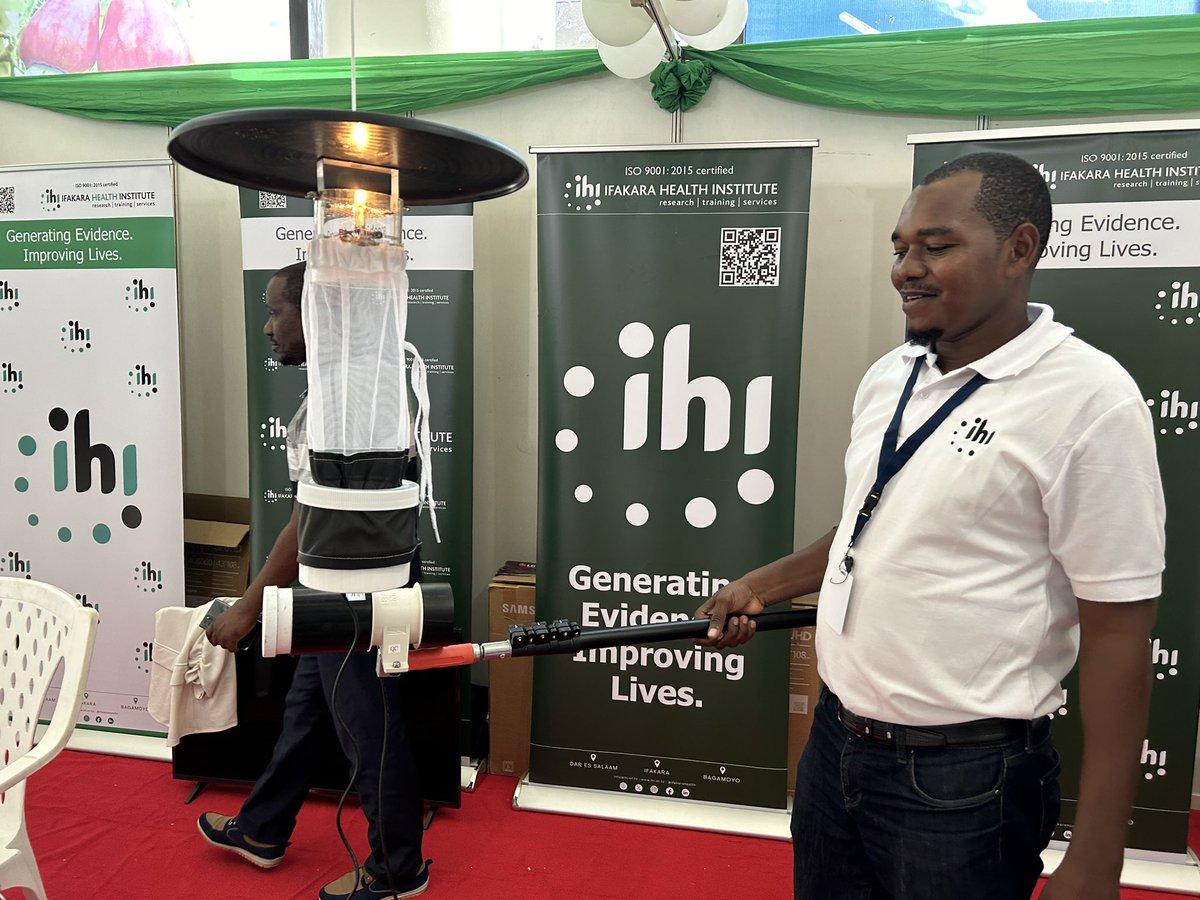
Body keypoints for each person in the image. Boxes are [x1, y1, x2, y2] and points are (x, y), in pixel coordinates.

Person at [697, 152, 1163, 900]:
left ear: (1020, 249)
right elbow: (871, 526)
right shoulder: (892, 374)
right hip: (835, 745)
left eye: (936, 246)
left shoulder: (1092, 400)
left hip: (966, 784)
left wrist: (1098, 857)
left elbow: (1119, 629)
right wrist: (765, 582)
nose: (906, 268)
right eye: (900, 247)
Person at [198, 261, 432, 900]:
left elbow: (307, 524)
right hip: (341, 579)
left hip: (354, 588)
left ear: (316, 313)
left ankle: (397, 868)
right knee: (308, 707)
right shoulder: (350, 381)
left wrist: (248, 607)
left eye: (277, 311)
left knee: (366, 720)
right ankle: (263, 827)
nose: (269, 327)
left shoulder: (349, 396)